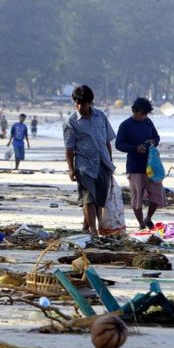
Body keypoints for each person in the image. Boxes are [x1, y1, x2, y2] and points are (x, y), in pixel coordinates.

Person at [63, 85, 116, 236]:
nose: (79, 106)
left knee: (99, 199)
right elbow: (69, 148)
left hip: (103, 163)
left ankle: (86, 228)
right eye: (77, 103)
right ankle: (94, 230)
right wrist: (71, 169)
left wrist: (110, 163)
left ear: (90, 103)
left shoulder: (101, 116)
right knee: (88, 197)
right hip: (84, 165)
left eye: (83, 103)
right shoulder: (71, 122)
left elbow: (107, 142)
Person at [115, 98, 166, 230]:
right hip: (135, 167)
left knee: (157, 194)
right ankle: (141, 224)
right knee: (137, 198)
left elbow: (157, 137)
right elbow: (119, 145)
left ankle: (148, 218)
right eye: (142, 113)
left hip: (151, 166)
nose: (144, 116)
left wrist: (153, 142)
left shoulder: (148, 122)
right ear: (134, 111)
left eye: (146, 114)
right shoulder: (125, 125)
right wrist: (135, 148)